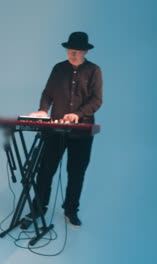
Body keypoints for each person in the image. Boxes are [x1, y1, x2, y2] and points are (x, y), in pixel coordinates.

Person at [29, 31, 102, 227]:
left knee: (76, 172)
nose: (73, 54)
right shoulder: (58, 68)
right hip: (55, 129)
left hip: (82, 130)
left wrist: (78, 114)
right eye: (70, 50)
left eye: (77, 51)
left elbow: (97, 100)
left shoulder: (94, 71)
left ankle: (71, 210)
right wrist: (43, 110)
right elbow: (47, 93)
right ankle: (39, 207)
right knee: (45, 170)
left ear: (85, 51)